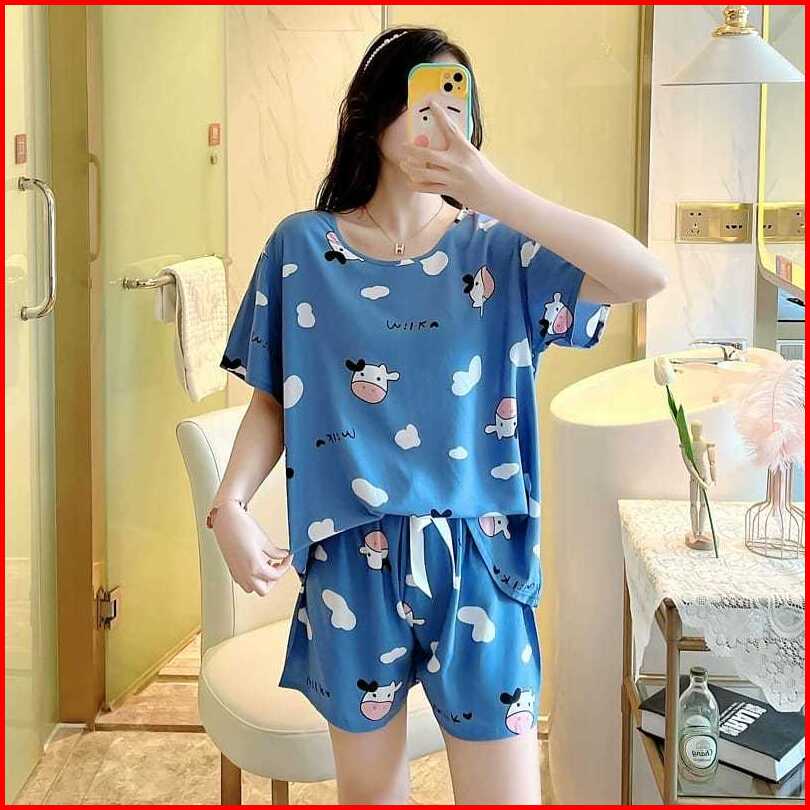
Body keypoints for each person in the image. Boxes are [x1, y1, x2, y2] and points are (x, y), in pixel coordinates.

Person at [208, 26, 667, 805]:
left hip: (481, 557)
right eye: (426, 99)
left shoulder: (499, 251)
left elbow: (644, 275)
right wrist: (230, 504)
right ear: (375, 115)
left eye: (460, 103)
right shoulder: (303, 248)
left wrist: (496, 194)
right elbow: (272, 398)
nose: (444, 121)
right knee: (371, 797)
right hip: (350, 561)